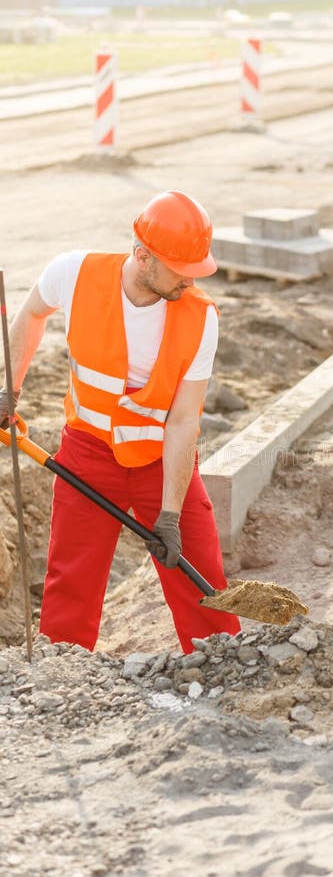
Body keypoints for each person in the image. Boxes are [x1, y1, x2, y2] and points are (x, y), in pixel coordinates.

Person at [0, 190, 240, 653]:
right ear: (143, 256)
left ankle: (221, 662)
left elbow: (183, 422)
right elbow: (30, 312)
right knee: (72, 578)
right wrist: (9, 388)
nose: (190, 280)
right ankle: (64, 669)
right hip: (88, 453)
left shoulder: (200, 318)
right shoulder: (75, 273)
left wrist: (170, 514)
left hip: (159, 461)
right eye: (180, 269)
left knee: (200, 573)